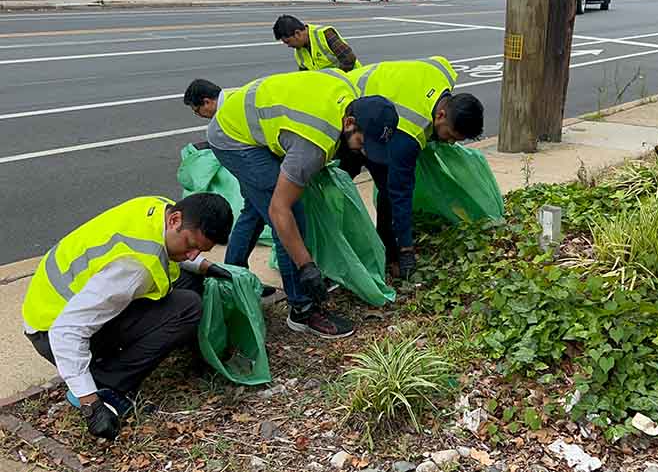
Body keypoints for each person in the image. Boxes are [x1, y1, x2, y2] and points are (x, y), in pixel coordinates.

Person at [183, 72, 398, 339]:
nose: (365, 153)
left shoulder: (348, 95)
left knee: (255, 209)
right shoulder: (313, 145)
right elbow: (279, 210)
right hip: (233, 139)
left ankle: (233, 277)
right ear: (350, 121)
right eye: (364, 144)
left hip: (248, 122)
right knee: (288, 215)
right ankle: (301, 309)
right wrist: (306, 266)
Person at [22, 193, 234, 440]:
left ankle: (105, 372)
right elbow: (67, 331)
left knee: (188, 278)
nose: (192, 254)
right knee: (187, 308)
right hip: (51, 331)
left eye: (200, 250)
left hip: (56, 303)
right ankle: (107, 384)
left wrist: (205, 267)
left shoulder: (158, 208)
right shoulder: (132, 269)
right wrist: (91, 405)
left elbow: (169, 249)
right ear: (175, 220)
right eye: (191, 246)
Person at [341, 56, 484, 279]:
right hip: (350, 112)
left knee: (385, 185)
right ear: (441, 114)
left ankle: (386, 248)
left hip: (369, 105)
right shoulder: (410, 132)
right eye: (449, 135)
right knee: (355, 185)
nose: (450, 142)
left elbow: (434, 63)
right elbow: (401, 192)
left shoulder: (442, 72)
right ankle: (356, 251)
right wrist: (406, 250)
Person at [273, 15, 361, 73]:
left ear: (297, 33)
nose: (288, 46)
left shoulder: (325, 34)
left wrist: (332, 80)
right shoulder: (299, 52)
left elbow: (349, 60)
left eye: (288, 42)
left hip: (351, 80)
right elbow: (305, 76)